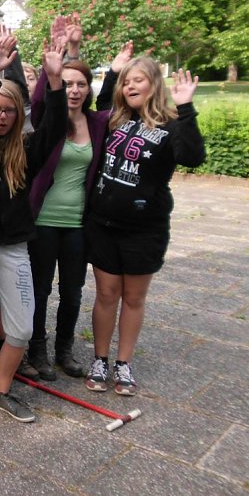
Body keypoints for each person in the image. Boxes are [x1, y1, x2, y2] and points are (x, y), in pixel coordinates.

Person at [0, 42, 67, 421]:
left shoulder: (26, 150)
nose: (1, 116)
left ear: (18, 115)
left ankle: (4, 391)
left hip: (14, 249)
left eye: (8, 110)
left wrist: (54, 80)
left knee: (19, 329)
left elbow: (54, 129)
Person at [85, 58, 205, 396]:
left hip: (144, 228)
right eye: (127, 82)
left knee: (134, 298)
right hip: (104, 224)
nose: (131, 87)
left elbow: (193, 156)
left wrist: (186, 108)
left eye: (138, 80)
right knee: (107, 294)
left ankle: (124, 364)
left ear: (154, 84)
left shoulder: (170, 124)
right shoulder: (115, 119)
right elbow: (103, 100)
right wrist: (112, 72)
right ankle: (100, 359)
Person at [22, 23, 129, 381]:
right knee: (39, 289)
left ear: (88, 89)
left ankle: (64, 350)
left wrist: (108, 68)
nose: (74, 89)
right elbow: (40, 102)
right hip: (43, 220)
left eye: (81, 84)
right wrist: (61, 59)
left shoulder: (98, 123)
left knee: (71, 291)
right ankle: (36, 349)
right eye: (67, 83)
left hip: (78, 223)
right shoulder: (49, 120)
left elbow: (112, 98)